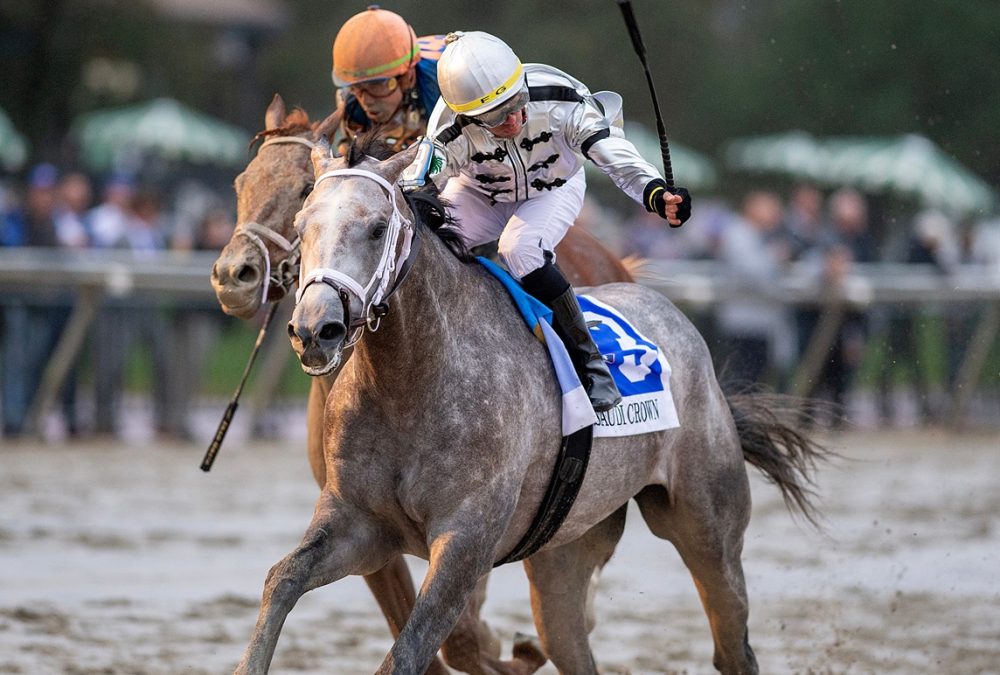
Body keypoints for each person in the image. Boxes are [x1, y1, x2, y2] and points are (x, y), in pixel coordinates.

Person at [405, 31, 691, 411]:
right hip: (481, 195)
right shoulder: (446, 127)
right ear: (466, 115)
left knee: (520, 248)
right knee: (426, 243)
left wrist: (656, 193)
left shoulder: (559, 95)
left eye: (515, 103)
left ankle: (589, 363)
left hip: (553, 188)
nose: (511, 119)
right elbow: (415, 185)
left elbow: (612, 153)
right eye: (494, 117)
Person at [330, 6, 445, 153]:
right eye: (356, 87)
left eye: (376, 85)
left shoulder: (442, 89)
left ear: (408, 78)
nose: (366, 101)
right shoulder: (353, 107)